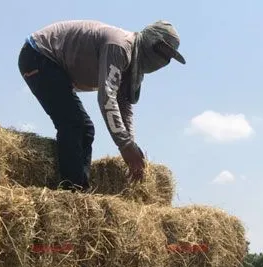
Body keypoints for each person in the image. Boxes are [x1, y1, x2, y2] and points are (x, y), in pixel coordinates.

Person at [17, 20, 186, 191]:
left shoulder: (134, 66)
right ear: (151, 40)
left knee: (86, 129)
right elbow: (107, 98)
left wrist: (130, 144)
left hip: (54, 67)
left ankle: (79, 189)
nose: (164, 59)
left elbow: (124, 104)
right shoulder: (120, 47)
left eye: (168, 57)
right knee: (73, 123)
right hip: (38, 55)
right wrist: (125, 145)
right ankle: (71, 190)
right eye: (163, 51)